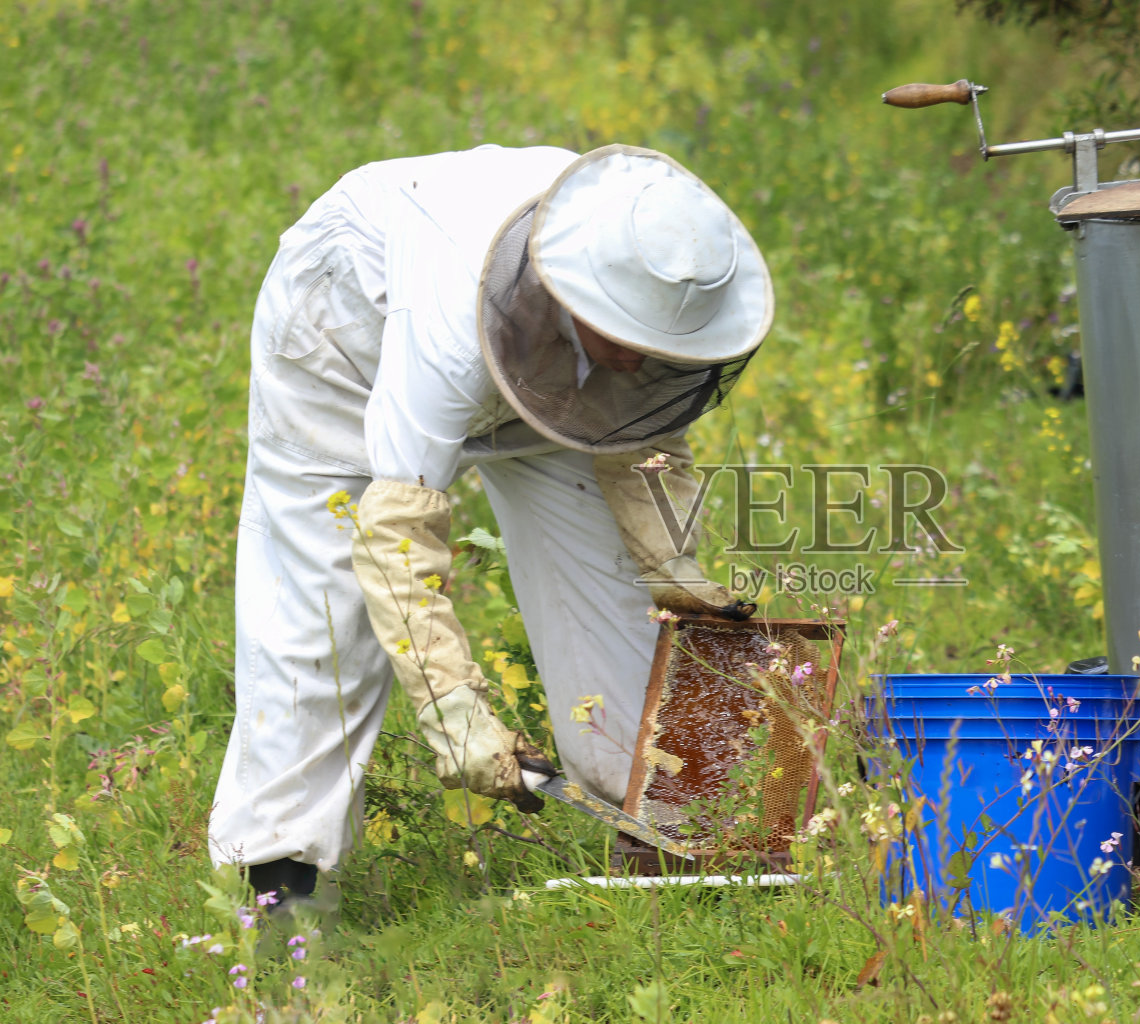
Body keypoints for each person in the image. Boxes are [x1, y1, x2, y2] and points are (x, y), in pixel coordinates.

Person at [208, 144, 772, 905]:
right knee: (319, 615)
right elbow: (394, 534)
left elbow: (645, 440)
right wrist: (456, 713)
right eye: (630, 345)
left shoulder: (652, 260)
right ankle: (277, 894)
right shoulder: (447, 331)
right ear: (576, 300)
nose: (642, 368)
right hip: (350, 322)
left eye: (661, 351)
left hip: (538, 359)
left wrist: (678, 573)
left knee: (624, 613)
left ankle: (672, 857)